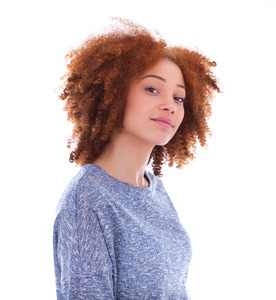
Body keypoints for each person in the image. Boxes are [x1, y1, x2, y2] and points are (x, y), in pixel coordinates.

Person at [52, 19, 220, 299]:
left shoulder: (154, 190)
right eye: (152, 89)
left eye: (179, 98)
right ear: (113, 93)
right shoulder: (88, 198)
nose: (170, 105)